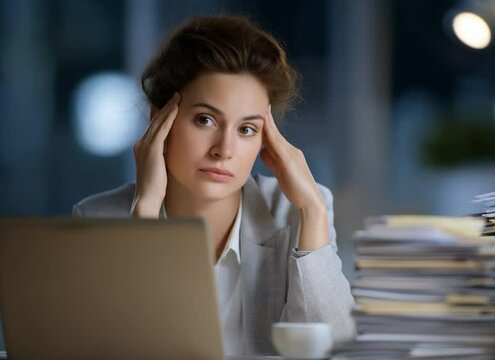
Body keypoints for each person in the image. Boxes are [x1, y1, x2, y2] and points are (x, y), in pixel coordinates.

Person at [72, 15, 355, 356]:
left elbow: (338, 350)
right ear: (158, 120)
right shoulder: (97, 219)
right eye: (205, 120)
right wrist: (145, 211)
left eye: (246, 129)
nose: (224, 149)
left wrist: (313, 211)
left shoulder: (294, 213)